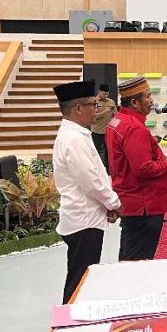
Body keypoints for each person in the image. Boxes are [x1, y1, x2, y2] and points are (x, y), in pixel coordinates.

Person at [52, 81, 122, 303]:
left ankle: (74, 315)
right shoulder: (73, 139)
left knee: (83, 276)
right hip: (83, 219)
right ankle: (70, 319)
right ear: (79, 108)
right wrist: (113, 203)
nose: (97, 109)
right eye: (93, 105)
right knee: (80, 280)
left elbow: (95, 175)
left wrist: (108, 204)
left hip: (86, 216)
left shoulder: (77, 134)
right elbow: (90, 181)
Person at [107, 76, 167, 261]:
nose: (152, 101)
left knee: (128, 258)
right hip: (144, 205)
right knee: (138, 263)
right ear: (134, 102)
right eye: (148, 96)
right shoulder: (134, 127)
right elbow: (143, 168)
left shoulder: (118, 120)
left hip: (131, 201)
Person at [90, 84, 117, 171]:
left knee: (109, 151)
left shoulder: (111, 102)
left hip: (109, 131)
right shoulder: (93, 102)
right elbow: (93, 116)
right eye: (104, 94)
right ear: (99, 92)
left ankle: (109, 171)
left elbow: (115, 115)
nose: (106, 96)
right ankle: (98, 170)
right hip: (97, 131)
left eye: (107, 94)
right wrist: (107, 111)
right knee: (97, 152)